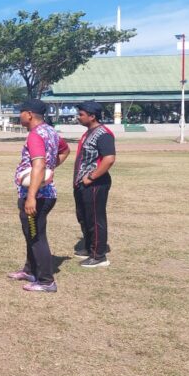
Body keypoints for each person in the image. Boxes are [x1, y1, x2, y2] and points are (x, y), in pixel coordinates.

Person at [7, 99, 70, 293]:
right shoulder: (50, 131)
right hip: (45, 193)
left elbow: (39, 164)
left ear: (29, 114)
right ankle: (30, 270)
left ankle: (45, 281)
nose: (20, 116)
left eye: (21, 112)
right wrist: (51, 170)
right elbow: (65, 150)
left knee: (36, 236)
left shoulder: (35, 135)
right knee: (31, 233)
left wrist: (31, 195)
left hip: (38, 196)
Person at [72, 101, 116, 268]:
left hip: (95, 184)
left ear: (92, 116)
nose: (78, 117)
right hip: (83, 184)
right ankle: (90, 247)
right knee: (84, 217)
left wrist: (91, 177)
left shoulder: (103, 134)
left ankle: (99, 256)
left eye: (81, 114)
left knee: (95, 218)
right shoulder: (89, 132)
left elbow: (109, 159)